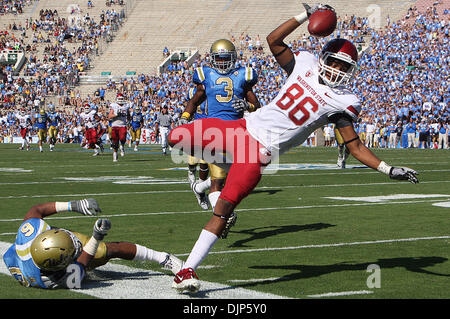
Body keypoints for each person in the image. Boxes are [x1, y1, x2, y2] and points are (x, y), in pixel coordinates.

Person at [168, 3, 419, 293]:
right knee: (176, 136)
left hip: (257, 154)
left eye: (344, 66)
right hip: (241, 130)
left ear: (352, 71)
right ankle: (219, 168)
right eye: (334, 62)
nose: (336, 69)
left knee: (223, 211)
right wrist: (305, 16)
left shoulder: (343, 100)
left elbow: (355, 145)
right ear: (324, 58)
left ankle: (186, 270)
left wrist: (387, 168)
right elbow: (273, 40)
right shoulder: (305, 63)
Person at [2, 199, 184, 289]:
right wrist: (97, 237)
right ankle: (164, 258)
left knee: (77, 244)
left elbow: (36, 210)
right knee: (106, 251)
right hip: (50, 268)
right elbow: (81, 263)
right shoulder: (55, 279)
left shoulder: (30, 233)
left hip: (37, 254)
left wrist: (73, 205)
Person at [179, 38, 260, 232]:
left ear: (233, 58)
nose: (223, 62)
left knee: (236, 173)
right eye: (219, 58)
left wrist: (247, 106)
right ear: (213, 59)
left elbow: (257, 105)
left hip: (237, 131)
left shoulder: (243, 75)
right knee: (218, 180)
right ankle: (222, 217)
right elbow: (195, 99)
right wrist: (185, 116)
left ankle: (199, 188)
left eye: (226, 58)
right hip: (213, 130)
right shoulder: (205, 75)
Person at [108, 93, 130, 162]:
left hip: (122, 125)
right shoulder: (114, 106)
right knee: (115, 142)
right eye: (119, 99)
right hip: (115, 125)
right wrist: (116, 115)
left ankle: (122, 146)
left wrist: (129, 121)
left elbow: (128, 115)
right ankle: (115, 154)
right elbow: (109, 117)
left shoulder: (126, 106)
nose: (121, 100)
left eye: (122, 99)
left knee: (123, 138)